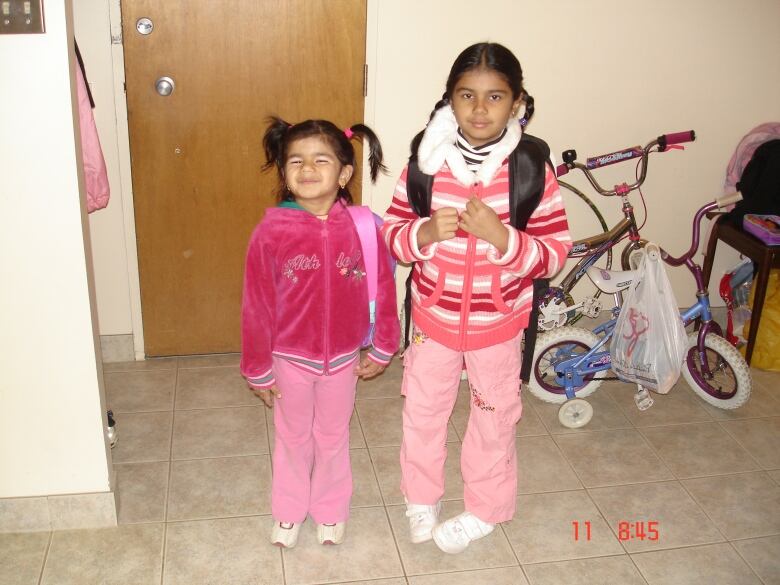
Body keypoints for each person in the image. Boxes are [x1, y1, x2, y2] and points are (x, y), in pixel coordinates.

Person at [382, 43, 572, 554]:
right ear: (450, 99)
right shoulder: (425, 163)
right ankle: (420, 496)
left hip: (499, 323)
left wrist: (502, 237)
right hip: (432, 318)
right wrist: (421, 235)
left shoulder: (530, 169)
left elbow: (555, 254)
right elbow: (392, 235)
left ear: (517, 103)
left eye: (495, 97)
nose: (480, 110)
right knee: (422, 411)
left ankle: (487, 508)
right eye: (467, 96)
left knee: (493, 415)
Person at [241, 118, 400, 548]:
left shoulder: (366, 226)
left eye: (320, 160)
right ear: (284, 171)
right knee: (293, 436)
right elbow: (255, 305)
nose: (307, 168)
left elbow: (384, 287)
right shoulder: (270, 231)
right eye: (296, 160)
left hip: (345, 358)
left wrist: (385, 345)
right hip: (289, 359)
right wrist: (257, 368)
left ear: (344, 173)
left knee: (332, 436)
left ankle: (330, 509)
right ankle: (289, 511)